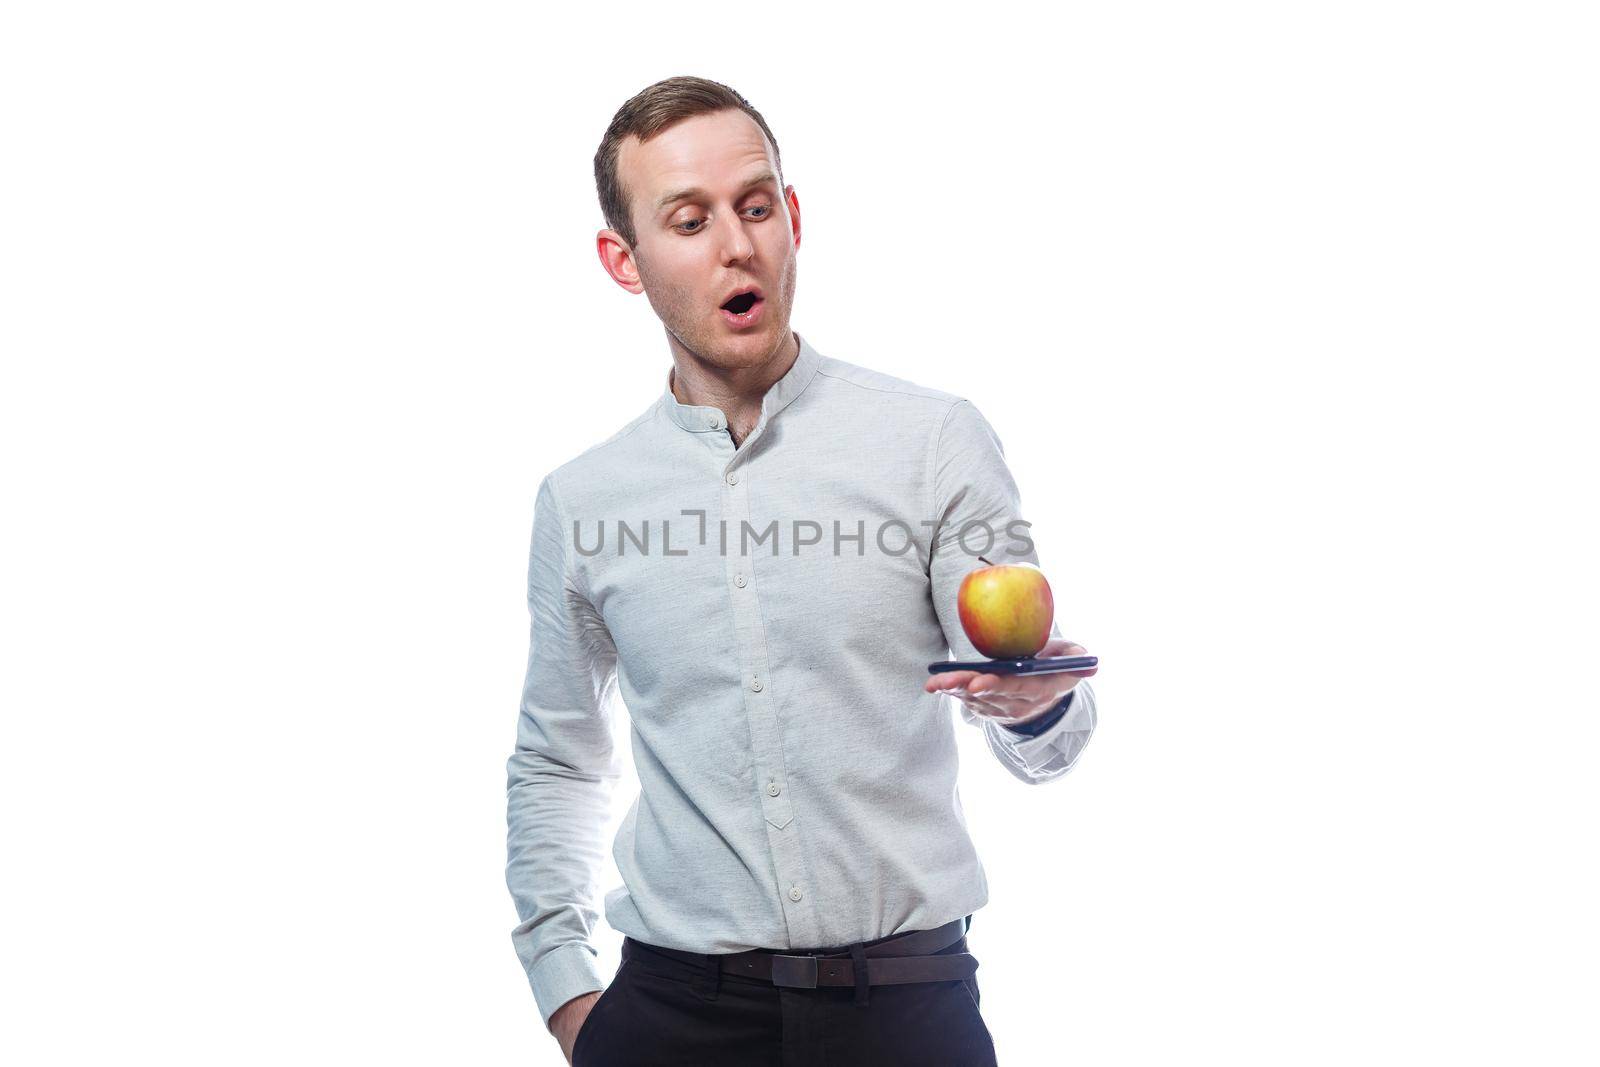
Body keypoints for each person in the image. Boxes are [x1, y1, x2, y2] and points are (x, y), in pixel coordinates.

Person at [504, 75, 1100, 1066]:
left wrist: (1028, 703)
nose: (736, 245)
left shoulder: (931, 441)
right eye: (688, 221)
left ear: (791, 216)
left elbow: (1047, 726)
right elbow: (558, 757)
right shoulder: (584, 500)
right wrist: (567, 990)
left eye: (754, 205)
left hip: (906, 1008)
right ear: (626, 260)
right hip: (670, 1013)